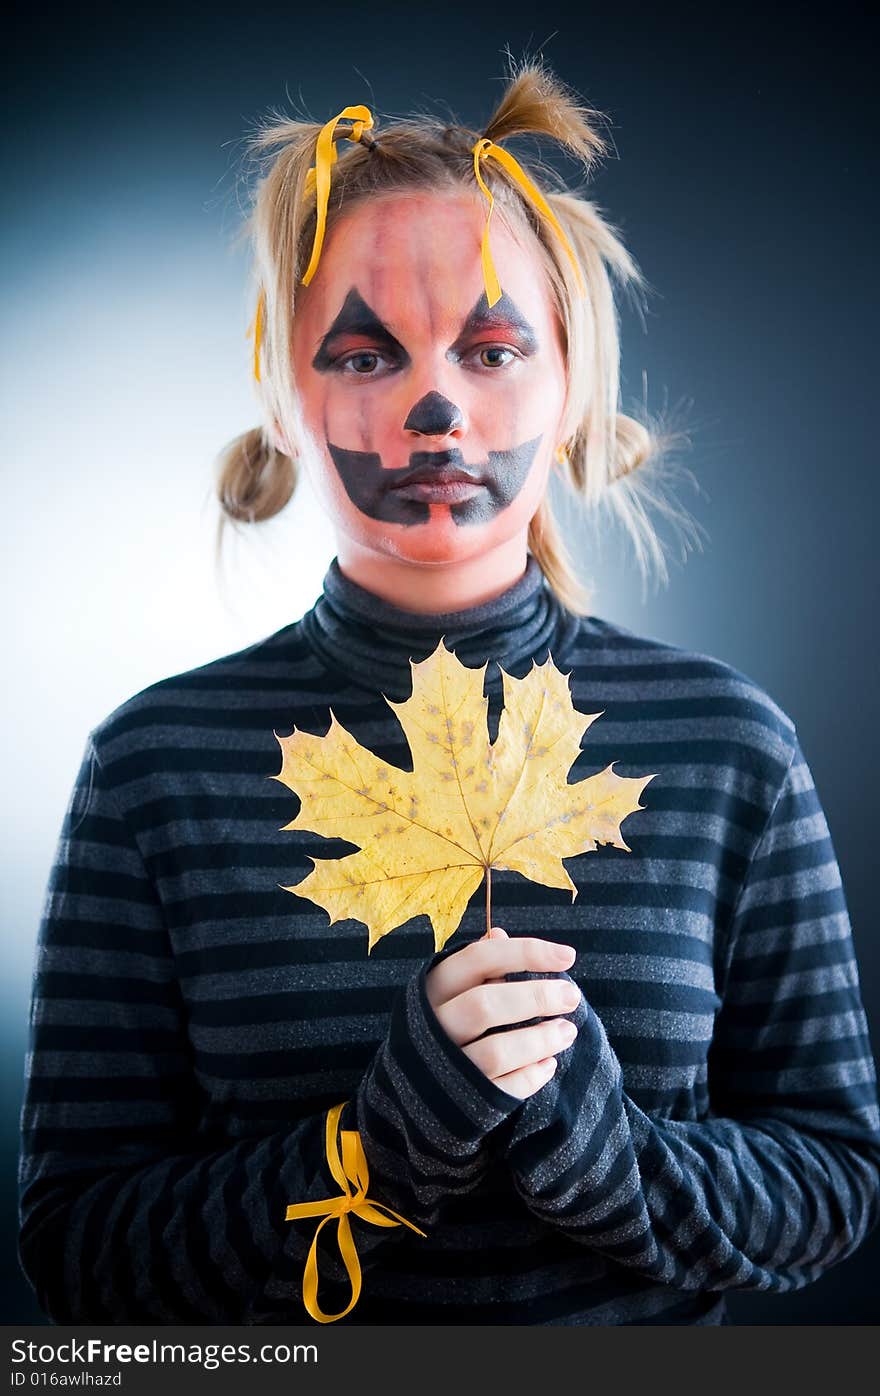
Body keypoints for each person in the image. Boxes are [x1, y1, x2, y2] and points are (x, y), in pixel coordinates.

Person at [18, 62, 880, 1327]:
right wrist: (376, 1147)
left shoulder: (727, 746)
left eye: (490, 348)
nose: (435, 409)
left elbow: (835, 1178)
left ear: (571, 377)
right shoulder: (154, 766)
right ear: (284, 393)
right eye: (365, 353)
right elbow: (79, 1246)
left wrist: (604, 1158)